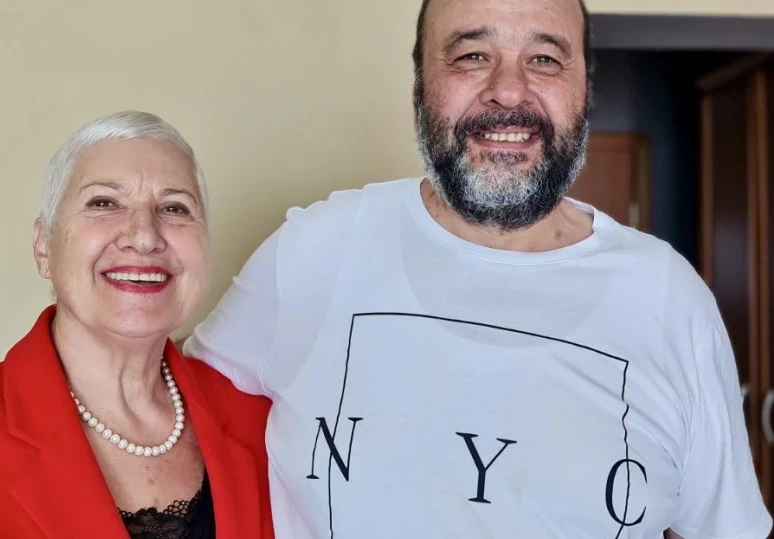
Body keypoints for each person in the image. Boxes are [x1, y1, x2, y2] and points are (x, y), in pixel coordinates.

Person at [184, 0, 773, 537]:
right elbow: (163, 419)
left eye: (544, 59)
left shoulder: (669, 300)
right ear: (420, 88)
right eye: (472, 55)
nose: (509, 92)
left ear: (584, 92)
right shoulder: (313, 252)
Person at [0, 111, 274, 539]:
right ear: (44, 247)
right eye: (104, 203)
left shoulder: (265, 425)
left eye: (174, 208)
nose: (144, 236)